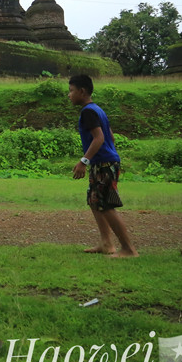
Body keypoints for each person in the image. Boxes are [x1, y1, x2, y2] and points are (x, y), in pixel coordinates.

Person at [68, 74, 138, 258]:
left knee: (106, 204)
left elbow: (99, 138)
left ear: (82, 91)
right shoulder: (97, 110)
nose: (69, 95)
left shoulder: (88, 112)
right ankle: (106, 244)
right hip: (104, 162)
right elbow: (111, 137)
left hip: (104, 163)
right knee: (94, 201)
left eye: (71, 91)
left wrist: (84, 161)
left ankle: (129, 249)